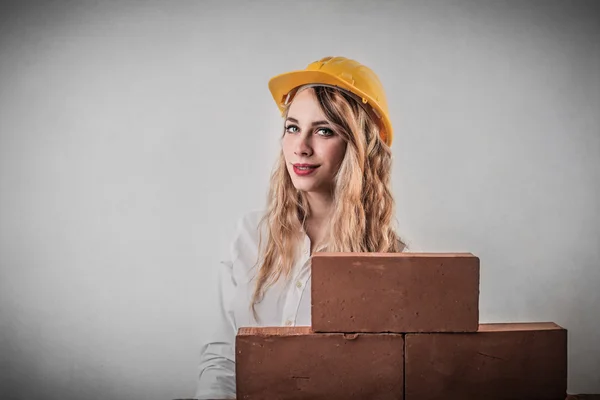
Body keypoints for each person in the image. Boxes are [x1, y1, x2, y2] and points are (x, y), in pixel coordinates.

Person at [194, 56, 408, 400]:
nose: (301, 146)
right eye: (292, 127)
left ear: (359, 146)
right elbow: (221, 358)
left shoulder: (390, 259)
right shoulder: (251, 234)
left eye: (324, 131)